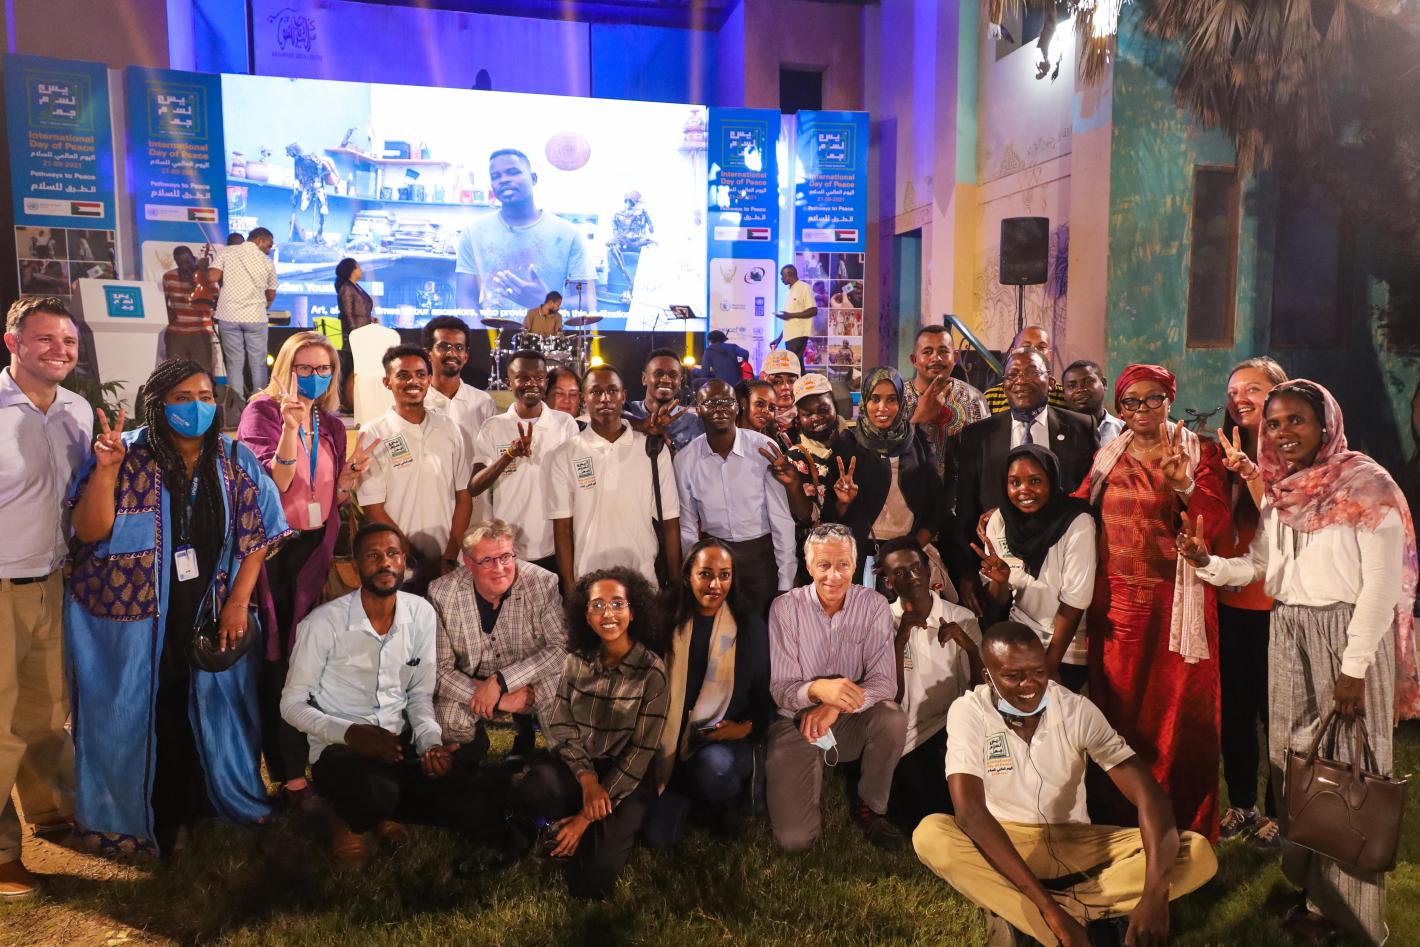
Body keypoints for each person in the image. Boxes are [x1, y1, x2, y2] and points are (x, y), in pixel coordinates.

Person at [1183, 379, 1419, 945]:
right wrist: (1208, 562)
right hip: (1288, 630)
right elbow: (1259, 567)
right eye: (1274, 423)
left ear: (1326, 424)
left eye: (1297, 420)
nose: (1283, 432)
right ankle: (1317, 896)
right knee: (1296, 765)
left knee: (1352, 774)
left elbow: (1382, 586)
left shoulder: (1368, 486)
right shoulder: (1283, 492)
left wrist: (1354, 668)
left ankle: (1359, 921)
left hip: (1348, 636)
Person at [68, 359, 291, 857]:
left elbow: (258, 536)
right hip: (134, 617)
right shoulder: (125, 453)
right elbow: (89, 530)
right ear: (158, 405)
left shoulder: (233, 458)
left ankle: (210, 802)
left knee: (213, 705)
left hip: (210, 609)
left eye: (206, 398)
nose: (197, 408)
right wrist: (106, 473)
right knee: (147, 708)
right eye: (183, 399)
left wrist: (238, 603)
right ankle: (149, 815)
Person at [913, 621, 1218, 947]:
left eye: (1038, 672)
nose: (1030, 685)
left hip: (1075, 841)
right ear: (988, 677)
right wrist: (1051, 911)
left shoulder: (1075, 710)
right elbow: (970, 813)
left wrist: (1155, 897)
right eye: (1014, 676)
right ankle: (1077, 919)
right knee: (931, 835)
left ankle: (1024, 913)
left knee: (1197, 853)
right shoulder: (969, 712)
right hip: (1006, 839)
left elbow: (1151, 798)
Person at [282, 523, 507, 870]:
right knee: (377, 791)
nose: (385, 562)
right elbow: (292, 703)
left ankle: (387, 809)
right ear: (355, 568)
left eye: (392, 554)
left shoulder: (421, 613)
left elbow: (420, 694)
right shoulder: (323, 623)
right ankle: (346, 818)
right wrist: (350, 733)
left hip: (398, 744)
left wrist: (430, 744)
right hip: (341, 748)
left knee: (467, 797)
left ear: (404, 562)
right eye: (373, 556)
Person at [1075, 363, 1227, 839]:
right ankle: (1120, 823)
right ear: (1119, 408)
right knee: (1119, 715)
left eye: (1153, 398)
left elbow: (1217, 523)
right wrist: (1005, 514)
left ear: (1169, 400)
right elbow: (1076, 510)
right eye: (1131, 401)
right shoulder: (1107, 457)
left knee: (1179, 716)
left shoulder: (1199, 453)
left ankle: (1183, 825)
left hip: (1175, 612)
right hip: (1117, 612)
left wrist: (1184, 485)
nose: (1142, 408)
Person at [238, 332, 374, 809]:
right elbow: (269, 484)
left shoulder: (331, 423)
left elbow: (329, 496)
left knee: (317, 660)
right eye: (305, 368)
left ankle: (319, 753)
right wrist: (290, 430)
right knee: (281, 663)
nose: (314, 377)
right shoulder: (262, 412)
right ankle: (290, 773)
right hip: (277, 557)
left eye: (323, 369)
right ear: (286, 370)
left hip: (318, 553)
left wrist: (348, 480)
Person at [0, 297, 92, 896]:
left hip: (54, 581)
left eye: (69, 340)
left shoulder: (76, 410)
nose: (60, 350)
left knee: (45, 710)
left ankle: (51, 811)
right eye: (45, 339)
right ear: (13, 343)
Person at [515, 568, 668, 900]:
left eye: (617, 604)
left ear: (633, 611)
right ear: (585, 615)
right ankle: (578, 824)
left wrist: (585, 818)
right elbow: (561, 724)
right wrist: (586, 779)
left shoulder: (652, 672)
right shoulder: (575, 661)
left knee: (589, 885)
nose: (607, 614)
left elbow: (640, 752)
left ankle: (587, 827)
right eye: (597, 605)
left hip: (626, 780)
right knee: (533, 785)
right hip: (582, 769)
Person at [766, 523, 907, 851]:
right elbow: (781, 689)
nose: (834, 575)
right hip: (796, 721)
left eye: (843, 564)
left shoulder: (873, 605)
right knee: (795, 840)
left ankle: (870, 807)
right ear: (808, 566)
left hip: (848, 719)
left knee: (891, 717)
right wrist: (818, 690)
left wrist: (835, 705)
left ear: (854, 565)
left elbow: (885, 682)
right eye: (824, 565)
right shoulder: (784, 608)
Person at [644, 539, 774, 849]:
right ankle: (688, 793)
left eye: (724, 575)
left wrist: (742, 728)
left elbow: (764, 696)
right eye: (705, 574)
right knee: (657, 840)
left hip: (724, 742)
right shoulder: (665, 619)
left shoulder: (748, 625)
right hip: (670, 740)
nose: (715, 585)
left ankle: (720, 799)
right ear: (687, 576)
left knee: (714, 769)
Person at [1208, 356, 1288, 844]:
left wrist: (1253, 473)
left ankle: (1281, 812)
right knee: (1234, 714)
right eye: (1234, 391)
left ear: (1280, 392)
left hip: (1277, 609)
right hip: (1228, 605)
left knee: (1277, 715)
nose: (1240, 398)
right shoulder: (1221, 452)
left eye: (1253, 389)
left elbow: (1285, 521)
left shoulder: (1296, 454)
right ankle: (1241, 804)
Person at [954, 349, 1097, 612]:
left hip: (1061, 562)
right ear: (1004, 384)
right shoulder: (978, 435)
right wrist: (966, 572)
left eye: (1031, 371)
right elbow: (966, 508)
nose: (1021, 380)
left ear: (1050, 381)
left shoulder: (1081, 427)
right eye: (1013, 374)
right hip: (997, 566)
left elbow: (1089, 495)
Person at [428, 520, 569, 763]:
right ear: (468, 563)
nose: (499, 568)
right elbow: (440, 670)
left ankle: (566, 763)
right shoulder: (442, 593)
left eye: (505, 557)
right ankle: (473, 759)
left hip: (529, 678)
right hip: (474, 682)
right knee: (447, 719)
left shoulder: (541, 583)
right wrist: (499, 698)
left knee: (557, 694)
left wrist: (502, 681)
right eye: (487, 560)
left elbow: (561, 648)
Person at [877, 538, 981, 831]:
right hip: (906, 737)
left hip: (951, 729)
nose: (911, 577)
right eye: (899, 572)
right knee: (920, 817)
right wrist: (899, 644)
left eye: (916, 567)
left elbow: (981, 693)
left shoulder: (961, 618)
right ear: (887, 582)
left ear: (928, 570)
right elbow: (890, 699)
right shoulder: (881, 622)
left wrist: (971, 649)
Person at [549, 365, 681, 594]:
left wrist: (676, 584)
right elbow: (562, 530)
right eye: (596, 391)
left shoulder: (652, 449)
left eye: (612, 390)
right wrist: (570, 590)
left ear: (624, 396)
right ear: (584, 398)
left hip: (643, 580)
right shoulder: (564, 454)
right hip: (588, 582)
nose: (605, 398)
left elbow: (670, 522)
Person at [977, 444, 1097, 692]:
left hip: (1065, 648)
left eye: (1035, 481)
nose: (1024, 490)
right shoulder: (1000, 520)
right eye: (1015, 482)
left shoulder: (1077, 522)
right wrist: (1000, 581)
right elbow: (998, 601)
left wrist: (1049, 666)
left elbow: (1075, 602)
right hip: (1019, 638)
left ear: (1052, 481)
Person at [673, 379, 797, 617]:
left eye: (726, 401)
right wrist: (694, 572)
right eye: (710, 403)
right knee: (720, 635)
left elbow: (781, 519)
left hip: (761, 558)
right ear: (698, 409)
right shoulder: (685, 459)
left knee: (762, 633)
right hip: (714, 559)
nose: (719, 408)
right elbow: (687, 526)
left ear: (737, 407)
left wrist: (786, 579)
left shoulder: (763, 448)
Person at [355, 345, 472, 590]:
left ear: (429, 379)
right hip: (401, 570)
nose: (413, 381)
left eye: (420, 374)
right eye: (403, 375)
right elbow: (373, 508)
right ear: (387, 382)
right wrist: (415, 558)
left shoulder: (448, 428)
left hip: (447, 567)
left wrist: (450, 554)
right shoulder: (373, 433)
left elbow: (464, 496)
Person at [823, 367, 944, 582]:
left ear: (901, 402)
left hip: (907, 555)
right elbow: (830, 515)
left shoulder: (918, 440)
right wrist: (843, 503)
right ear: (864, 401)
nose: (882, 408)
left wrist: (913, 549)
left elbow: (937, 506)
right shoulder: (848, 443)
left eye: (891, 399)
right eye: (875, 399)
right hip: (858, 557)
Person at [471, 350, 579, 573]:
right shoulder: (493, 427)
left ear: (545, 382)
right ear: (508, 382)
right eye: (522, 377)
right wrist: (509, 455)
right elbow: (474, 486)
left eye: (538, 377)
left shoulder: (565, 423)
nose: (532, 383)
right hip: (507, 549)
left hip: (554, 546)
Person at [454, 149, 595, 314]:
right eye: (496, 176)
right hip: (493, 329)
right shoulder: (474, 233)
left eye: (513, 172)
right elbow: (466, 296)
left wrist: (546, 303)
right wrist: (478, 331)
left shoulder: (568, 234)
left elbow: (587, 300)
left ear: (533, 179)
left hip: (548, 329)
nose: (504, 180)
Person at [902, 325, 988, 478]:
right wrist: (918, 419)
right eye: (927, 352)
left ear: (955, 357)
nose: (936, 358)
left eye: (943, 351)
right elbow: (888, 452)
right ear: (914, 359)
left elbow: (985, 453)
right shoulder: (896, 398)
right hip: (906, 488)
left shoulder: (974, 399)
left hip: (961, 490)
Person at [208, 227, 277, 401]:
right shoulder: (267, 262)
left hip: (229, 316)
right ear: (260, 240)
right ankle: (259, 401)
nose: (269, 250)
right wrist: (264, 301)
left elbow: (212, 276)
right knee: (258, 362)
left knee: (234, 362)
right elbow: (270, 294)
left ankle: (236, 404)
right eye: (269, 245)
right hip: (255, 317)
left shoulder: (227, 252)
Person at [623, 347, 704, 453]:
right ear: (644, 379)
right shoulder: (628, 411)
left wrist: (669, 444)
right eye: (658, 373)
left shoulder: (693, 422)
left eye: (673, 375)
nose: (666, 379)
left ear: (680, 382)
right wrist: (642, 424)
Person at [982, 325, 1068, 415]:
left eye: (1041, 347)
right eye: (1026, 346)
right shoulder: (991, 398)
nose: (1034, 351)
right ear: (1012, 353)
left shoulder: (1065, 396)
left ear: (1050, 355)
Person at [160, 246, 215, 372]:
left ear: (194, 259)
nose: (184, 267)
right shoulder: (169, 277)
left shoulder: (206, 277)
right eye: (180, 264)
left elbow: (213, 302)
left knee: (202, 371)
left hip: (200, 332)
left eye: (187, 262)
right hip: (176, 332)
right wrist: (168, 312)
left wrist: (197, 282)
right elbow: (162, 303)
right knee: (175, 372)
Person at [334, 258, 374, 409]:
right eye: (358, 267)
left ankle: (354, 398)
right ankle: (344, 400)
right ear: (352, 270)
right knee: (349, 366)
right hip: (353, 334)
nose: (360, 270)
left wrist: (370, 320)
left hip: (364, 333)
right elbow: (348, 313)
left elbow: (361, 311)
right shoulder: (346, 288)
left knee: (357, 367)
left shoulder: (356, 287)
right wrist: (354, 333)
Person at [1062, 359, 1125, 446]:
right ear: (1064, 393)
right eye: (1072, 386)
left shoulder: (1124, 431)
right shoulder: (1055, 431)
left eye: (1088, 382)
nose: (1080, 389)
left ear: (1104, 384)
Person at [777, 265, 817, 364]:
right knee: (796, 365)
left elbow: (813, 311)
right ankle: (800, 375)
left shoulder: (804, 288)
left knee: (793, 364)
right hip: (790, 335)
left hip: (799, 334)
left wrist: (790, 315)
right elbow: (789, 319)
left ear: (790, 274)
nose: (781, 278)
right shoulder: (791, 290)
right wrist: (779, 339)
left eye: (783, 276)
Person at [760, 348, 803, 435]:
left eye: (791, 381)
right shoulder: (755, 422)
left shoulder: (808, 418)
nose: (785, 387)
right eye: (777, 382)